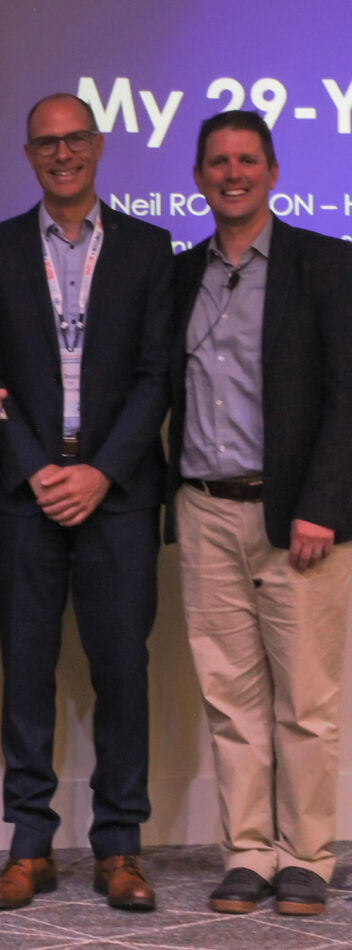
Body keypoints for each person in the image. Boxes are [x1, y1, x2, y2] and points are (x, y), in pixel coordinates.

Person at [0, 93, 174, 912]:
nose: (62, 154)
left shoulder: (151, 248)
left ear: (99, 146)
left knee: (123, 673)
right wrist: (33, 466)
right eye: (46, 143)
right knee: (26, 672)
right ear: (29, 155)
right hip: (22, 496)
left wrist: (100, 472)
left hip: (117, 496)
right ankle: (29, 845)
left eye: (75, 139)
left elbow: (160, 374)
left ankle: (119, 846)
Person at [166, 110, 352, 916]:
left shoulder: (328, 264)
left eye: (246, 160)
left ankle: (307, 856)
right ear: (199, 178)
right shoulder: (178, 277)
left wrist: (323, 506)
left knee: (305, 701)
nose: (231, 173)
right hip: (204, 509)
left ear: (273, 173)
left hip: (300, 520)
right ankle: (248, 851)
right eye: (217, 162)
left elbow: (349, 398)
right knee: (229, 697)